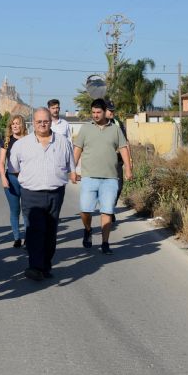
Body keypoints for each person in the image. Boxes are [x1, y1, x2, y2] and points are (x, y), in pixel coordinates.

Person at [9, 108, 76, 281]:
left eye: (45, 121)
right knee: (34, 230)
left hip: (56, 193)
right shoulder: (21, 145)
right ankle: (35, 266)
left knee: (50, 230)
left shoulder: (63, 142)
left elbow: (70, 166)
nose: (42, 124)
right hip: (31, 194)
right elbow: (14, 169)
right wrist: (30, 180)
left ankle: (45, 265)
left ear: (50, 121)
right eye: (38, 121)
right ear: (33, 123)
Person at [73, 98, 132, 256]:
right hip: (89, 177)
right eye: (93, 112)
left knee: (106, 211)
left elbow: (124, 149)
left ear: (105, 112)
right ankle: (88, 229)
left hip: (110, 178)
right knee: (85, 211)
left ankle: (105, 243)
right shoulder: (85, 129)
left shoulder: (115, 130)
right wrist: (72, 169)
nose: (95, 115)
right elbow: (77, 150)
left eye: (98, 112)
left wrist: (128, 169)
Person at [0, 114, 28, 248]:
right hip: (11, 178)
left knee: (27, 210)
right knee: (14, 210)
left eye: (18, 123)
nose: (15, 126)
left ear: (22, 125)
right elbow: (1, 162)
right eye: (13, 124)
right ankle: (17, 238)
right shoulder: (6, 140)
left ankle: (28, 237)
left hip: (27, 179)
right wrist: (3, 178)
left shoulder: (29, 140)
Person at [105, 100, 132, 219]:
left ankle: (110, 208)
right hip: (105, 161)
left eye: (113, 110)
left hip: (118, 160)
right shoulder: (98, 125)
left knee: (119, 186)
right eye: (110, 110)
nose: (112, 112)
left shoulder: (118, 123)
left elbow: (126, 143)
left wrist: (129, 161)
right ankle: (107, 210)